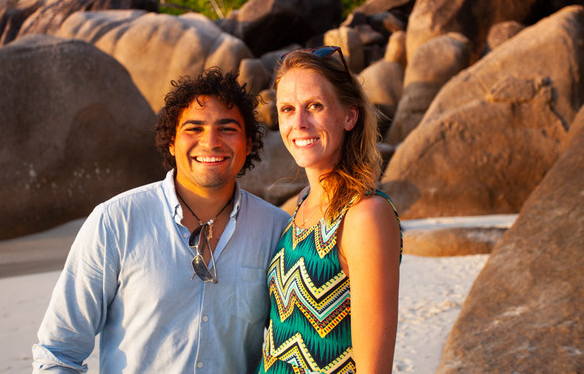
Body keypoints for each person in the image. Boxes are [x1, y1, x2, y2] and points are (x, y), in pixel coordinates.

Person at [32, 68, 290, 373]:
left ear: (248, 145)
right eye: (194, 128)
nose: (210, 142)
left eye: (227, 128)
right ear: (171, 141)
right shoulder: (117, 221)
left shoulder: (277, 229)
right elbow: (58, 352)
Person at [258, 46, 402, 374]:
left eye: (315, 106)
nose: (299, 123)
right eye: (287, 109)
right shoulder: (302, 207)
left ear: (350, 116)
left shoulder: (365, 215)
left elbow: (374, 369)